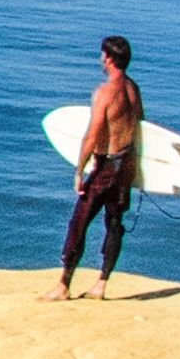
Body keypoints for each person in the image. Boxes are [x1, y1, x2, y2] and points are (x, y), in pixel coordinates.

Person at [50, 36, 144, 300]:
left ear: (110, 59)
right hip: (126, 164)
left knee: (79, 221)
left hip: (107, 166)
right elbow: (141, 126)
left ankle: (63, 285)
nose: (101, 60)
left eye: (102, 55)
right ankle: (101, 284)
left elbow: (92, 135)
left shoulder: (104, 93)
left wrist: (79, 171)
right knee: (115, 223)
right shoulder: (133, 88)